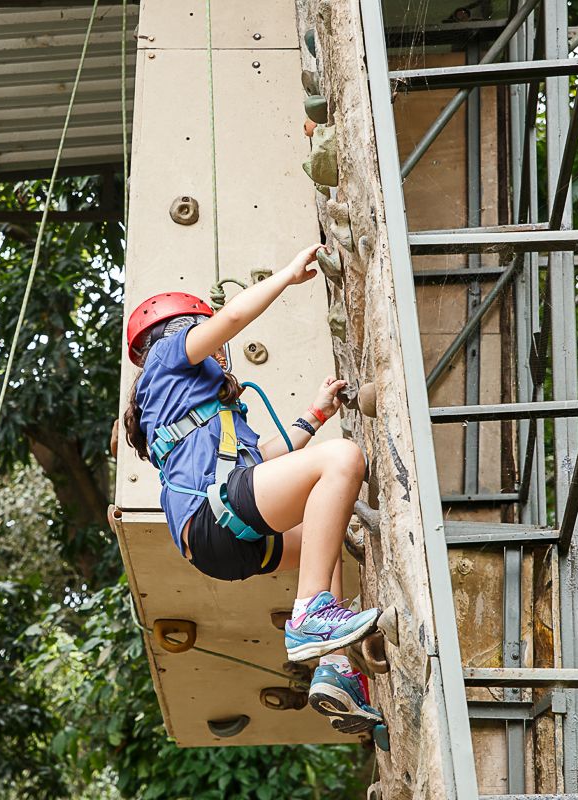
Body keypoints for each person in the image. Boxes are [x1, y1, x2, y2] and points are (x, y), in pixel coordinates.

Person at [122, 243, 381, 734]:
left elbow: (264, 461)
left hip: (217, 546)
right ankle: (308, 615)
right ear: (181, 329)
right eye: (209, 338)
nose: (221, 351)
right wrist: (286, 275)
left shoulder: (192, 404)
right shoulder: (165, 355)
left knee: (322, 544)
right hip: (214, 517)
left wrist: (317, 413)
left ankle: (337, 669)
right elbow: (236, 314)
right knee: (344, 459)